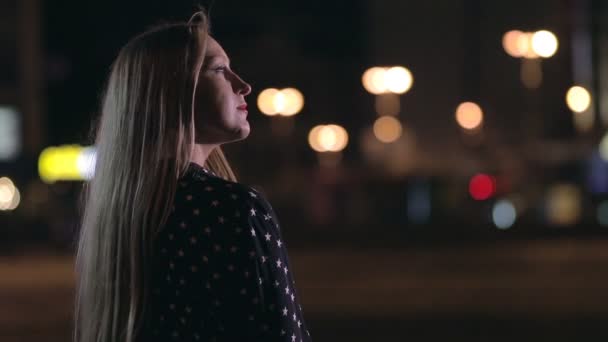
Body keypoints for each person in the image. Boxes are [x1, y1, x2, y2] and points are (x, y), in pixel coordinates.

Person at [74, 10, 312, 342]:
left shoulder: (118, 214)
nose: (243, 85)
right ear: (170, 91)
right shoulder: (234, 209)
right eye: (218, 70)